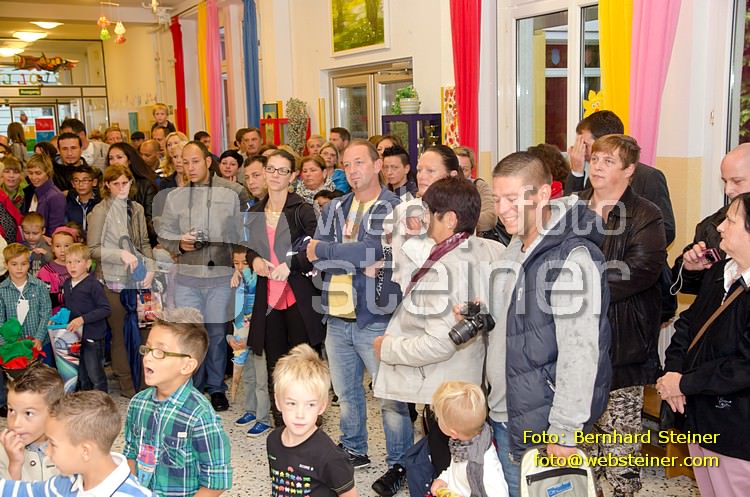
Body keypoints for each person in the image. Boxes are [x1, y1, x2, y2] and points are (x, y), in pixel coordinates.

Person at [488, 152, 611, 497]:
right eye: (497, 199)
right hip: (506, 409)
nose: (502, 209)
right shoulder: (516, 245)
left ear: (543, 194)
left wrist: (565, 430)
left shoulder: (571, 258)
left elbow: (581, 352)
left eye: (512, 198)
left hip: (542, 421)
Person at [372, 176, 506, 495]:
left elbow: (440, 342)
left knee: (450, 472)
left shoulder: (443, 269)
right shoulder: (493, 250)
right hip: (475, 387)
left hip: (446, 393)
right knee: (471, 469)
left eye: (430, 213)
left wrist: (388, 348)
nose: (424, 220)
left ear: (450, 219)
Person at [307, 139, 410, 494]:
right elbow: (315, 257)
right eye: (347, 165)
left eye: (359, 163)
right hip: (336, 317)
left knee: (391, 398)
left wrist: (334, 252)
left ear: (377, 165)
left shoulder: (393, 207)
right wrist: (352, 259)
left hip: (376, 318)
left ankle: (400, 463)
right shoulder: (336, 207)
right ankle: (354, 449)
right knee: (347, 393)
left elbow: (373, 250)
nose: (352, 171)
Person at [578, 135, 666, 497]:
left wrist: (578, 286)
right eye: (595, 158)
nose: (597, 166)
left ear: (629, 170)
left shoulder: (645, 213)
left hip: (623, 344)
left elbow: (641, 270)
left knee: (619, 449)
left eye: (608, 161)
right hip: (576, 344)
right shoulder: (574, 207)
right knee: (580, 449)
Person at [658, 192, 750, 497]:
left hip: (736, 431)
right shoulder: (720, 272)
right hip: (699, 417)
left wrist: (684, 383)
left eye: (731, 221)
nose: (720, 227)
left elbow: (743, 366)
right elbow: (688, 325)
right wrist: (673, 372)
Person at [156, 141, 243, 410]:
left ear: (207, 161)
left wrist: (239, 262)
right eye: (185, 162)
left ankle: (216, 388)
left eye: (195, 161)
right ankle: (191, 387)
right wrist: (179, 243)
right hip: (187, 276)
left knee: (216, 333)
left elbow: (243, 231)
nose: (190, 167)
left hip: (220, 275)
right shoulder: (175, 197)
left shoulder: (232, 192)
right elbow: (164, 233)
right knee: (190, 334)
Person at [245, 149, 325, 425]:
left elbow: (317, 247)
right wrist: (254, 260)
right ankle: (282, 422)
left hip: (298, 295)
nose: (275, 175)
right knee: (275, 364)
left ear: (292, 176)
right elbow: (248, 248)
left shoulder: (302, 209)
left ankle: (310, 421)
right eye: (271, 169)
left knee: (303, 362)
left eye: (282, 170)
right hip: (268, 296)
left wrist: (290, 264)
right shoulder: (255, 211)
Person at [124, 308, 232, 497]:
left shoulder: (200, 415)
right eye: (147, 349)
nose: (147, 357)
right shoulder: (138, 403)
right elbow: (131, 453)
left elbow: (217, 481)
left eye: (160, 352)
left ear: (187, 366)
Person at [0, 391, 152, 497]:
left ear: (85, 451)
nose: (47, 451)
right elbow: (23, 491)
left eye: (52, 444)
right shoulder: (66, 482)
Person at [87, 164, 156, 398]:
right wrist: (120, 254)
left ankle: (147, 382)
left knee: (146, 332)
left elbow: (144, 242)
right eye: (115, 184)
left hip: (139, 281)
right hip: (113, 282)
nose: (121, 188)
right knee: (120, 334)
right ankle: (127, 383)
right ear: (107, 185)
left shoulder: (136, 209)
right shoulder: (100, 211)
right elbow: (93, 249)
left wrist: (151, 268)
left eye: (125, 183)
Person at [563, 110, 675, 245]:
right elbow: (569, 216)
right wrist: (576, 173)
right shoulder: (594, 175)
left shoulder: (649, 177)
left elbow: (667, 229)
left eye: (584, 144)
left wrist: (624, 243)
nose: (578, 150)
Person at [267, 344, 357, 497]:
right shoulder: (273, 440)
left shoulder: (330, 455)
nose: (300, 414)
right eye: (292, 403)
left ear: (322, 406)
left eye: (310, 405)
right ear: (278, 402)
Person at [673, 143, 750, 294]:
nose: (728, 190)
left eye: (737, 181)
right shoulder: (712, 226)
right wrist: (691, 270)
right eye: (725, 181)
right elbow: (688, 287)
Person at [430, 381, 508, 497]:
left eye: (439, 418)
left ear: (453, 433)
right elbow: (455, 469)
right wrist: (444, 479)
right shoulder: (463, 446)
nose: (437, 420)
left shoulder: (482, 465)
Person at [0, 244, 52, 414]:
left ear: (29, 264)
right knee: (14, 381)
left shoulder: (39, 286)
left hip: (38, 342)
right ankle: (11, 405)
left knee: (39, 377)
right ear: (6, 265)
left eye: (23, 264)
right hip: (13, 346)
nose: (19, 268)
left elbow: (46, 313)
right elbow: (0, 320)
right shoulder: (2, 290)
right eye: (14, 264)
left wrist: (39, 337)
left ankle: (41, 406)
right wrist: (7, 344)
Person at [228, 247, 271, 436]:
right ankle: (251, 410)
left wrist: (243, 272)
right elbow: (234, 311)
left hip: (259, 334)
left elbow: (253, 285)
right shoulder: (237, 283)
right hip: (242, 335)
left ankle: (263, 419)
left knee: (261, 380)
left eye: (245, 263)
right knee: (248, 377)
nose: (240, 267)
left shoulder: (257, 278)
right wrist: (233, 336)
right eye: (236, 263)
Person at [61, 243, 112, 393]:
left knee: (95, 373)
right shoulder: (67, 283)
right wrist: (59, 318)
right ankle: (85, 400)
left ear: (88, 264)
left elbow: (105, 309)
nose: (72, 266)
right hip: (76, 336)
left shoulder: (93, 285)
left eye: (77, 261)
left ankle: (101, 400)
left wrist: (82, 319)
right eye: (69, 262)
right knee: (81, 373)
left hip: (92, 336)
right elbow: (69, 308)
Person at [0, 364, 64, 480]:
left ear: (55, 412)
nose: (16, 424)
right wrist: (14, 465)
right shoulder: (2, 450)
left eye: (28, 413)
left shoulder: (73, 447)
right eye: (11, 410)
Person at [107, 142, 159, 246]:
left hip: (141, 240)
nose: (114, 162)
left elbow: (151, 222)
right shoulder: (106, 185)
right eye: (111, 158)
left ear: (129, 160)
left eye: (119, 157)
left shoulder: (145, 185)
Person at [453, 146, 497, 233]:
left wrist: (458, 223)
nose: (459, 174)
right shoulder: (439, 188)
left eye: (464, 170)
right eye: (456, 169)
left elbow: (490, 217)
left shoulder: (479, 186)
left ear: (471, 170)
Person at [22, 154, 65, 235]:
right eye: (30, 173)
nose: (34, 177)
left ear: (48, 172)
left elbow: (55, 232)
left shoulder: (56, 196)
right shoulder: (29, 192)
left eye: (38, 173)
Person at [37, 227, 76, 311]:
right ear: (52, 248)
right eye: (58, 246)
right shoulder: (45, 271)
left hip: (78, 315)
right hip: (54, 316)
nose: (62, 250)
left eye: (67, 246)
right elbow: (43, 299)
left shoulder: (80, 269)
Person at [63, 165, 100, 235]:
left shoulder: (100, 203)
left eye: (85, 180)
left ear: (94, 182)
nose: (80, 184)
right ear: (73, 184)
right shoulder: (68, 202)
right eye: (76, 181)